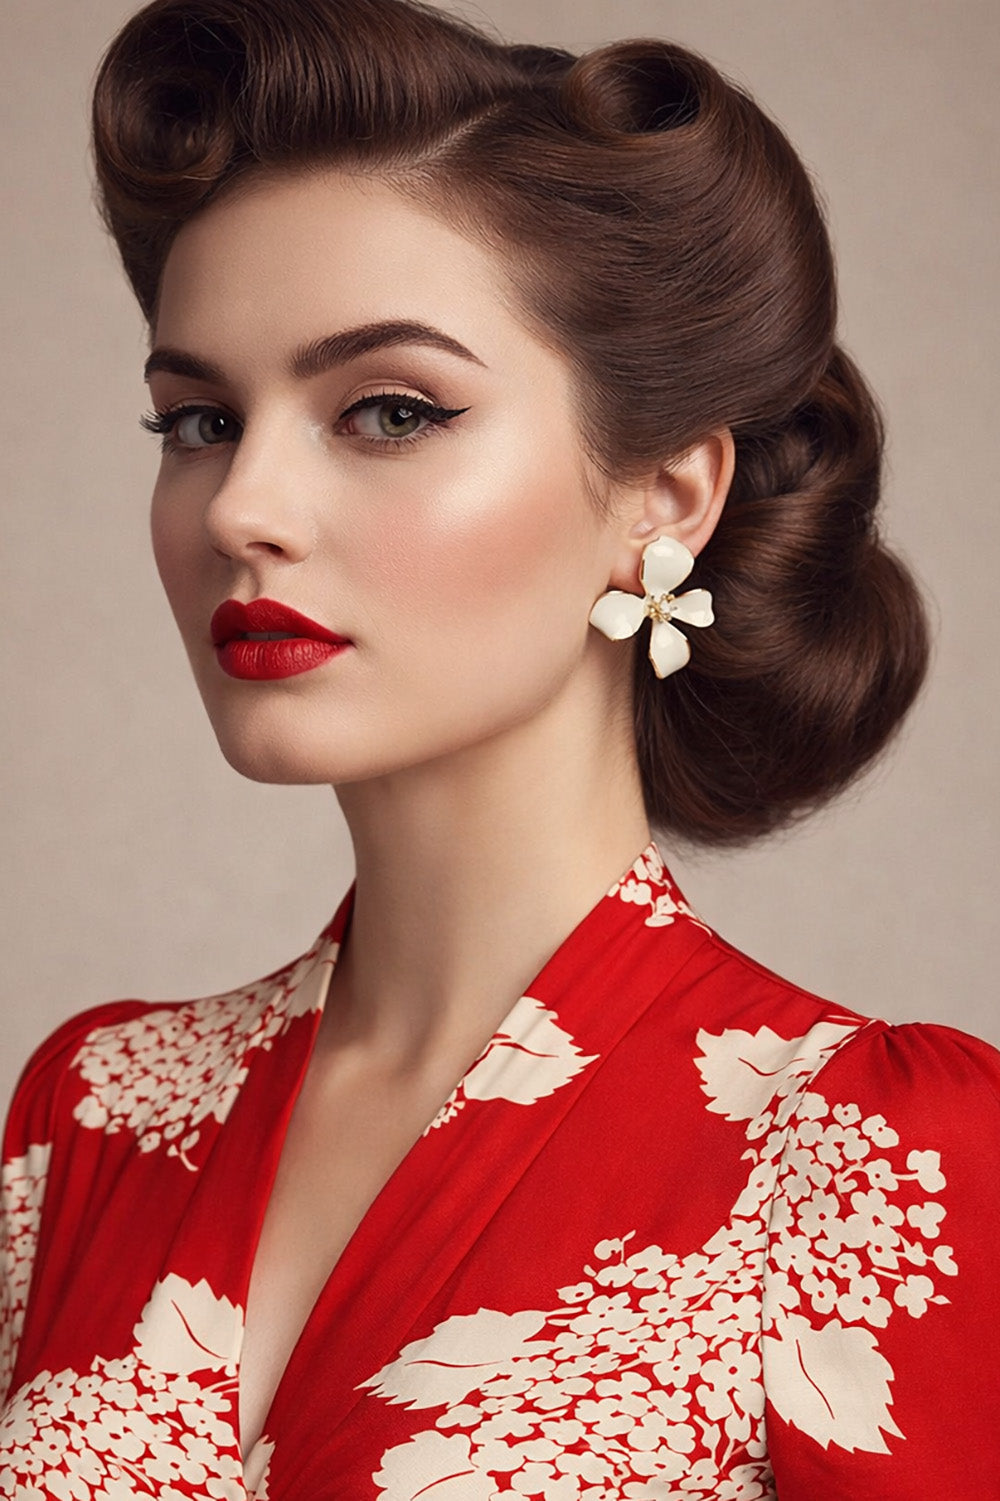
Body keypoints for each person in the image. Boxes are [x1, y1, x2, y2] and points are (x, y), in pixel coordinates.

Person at [1, 0, 997, 1495]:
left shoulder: (865, 1156)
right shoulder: (91, 1113)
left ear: (663, 496)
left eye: (388, 410)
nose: (238, 508)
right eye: (198, 419)